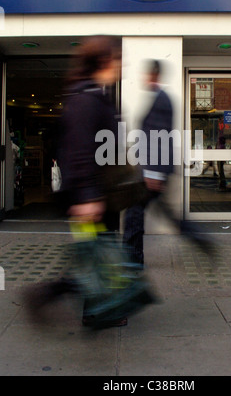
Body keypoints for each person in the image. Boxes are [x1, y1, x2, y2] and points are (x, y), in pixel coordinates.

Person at [24, 36, 154, 329]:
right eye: (118, 59)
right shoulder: (86, 98)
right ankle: (49, 295)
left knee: (96, 254)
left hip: (99, 195)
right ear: (104, 61)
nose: (122, 65)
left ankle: (95, 310)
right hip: (90, 198)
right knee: (94, 255)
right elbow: (79, 151)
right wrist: (87, 197)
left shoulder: (96, 94)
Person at [123, 59, 174, 268]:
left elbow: (161, 137)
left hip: (153, 172)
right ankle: (133, 258)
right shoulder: (157, 98)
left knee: (134, 212)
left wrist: (154, 173)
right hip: (151, 171)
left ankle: (132, 260)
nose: (144, 78)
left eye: (147, 74)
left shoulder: (161, 100)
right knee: (140, 213)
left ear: (154, 75)